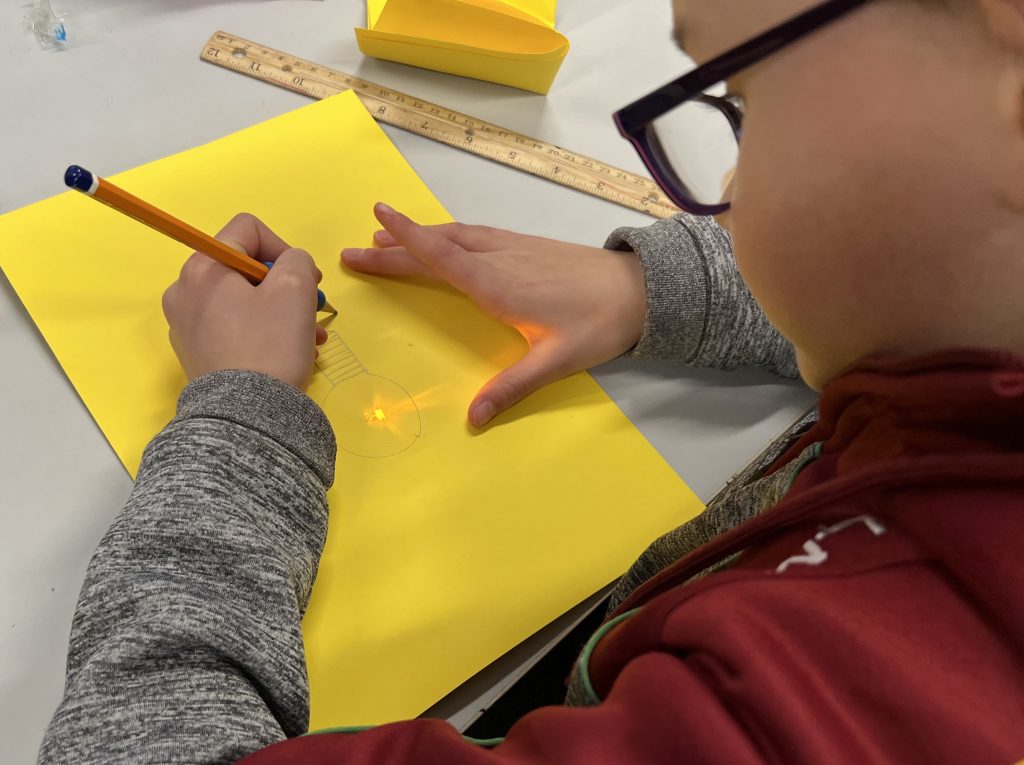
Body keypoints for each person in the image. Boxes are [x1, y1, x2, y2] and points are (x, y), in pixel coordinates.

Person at [38, 0, 1024, 762]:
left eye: (740, 104)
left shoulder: (789, 710)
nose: (725, 202)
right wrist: (649, 288)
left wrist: (240, 427)